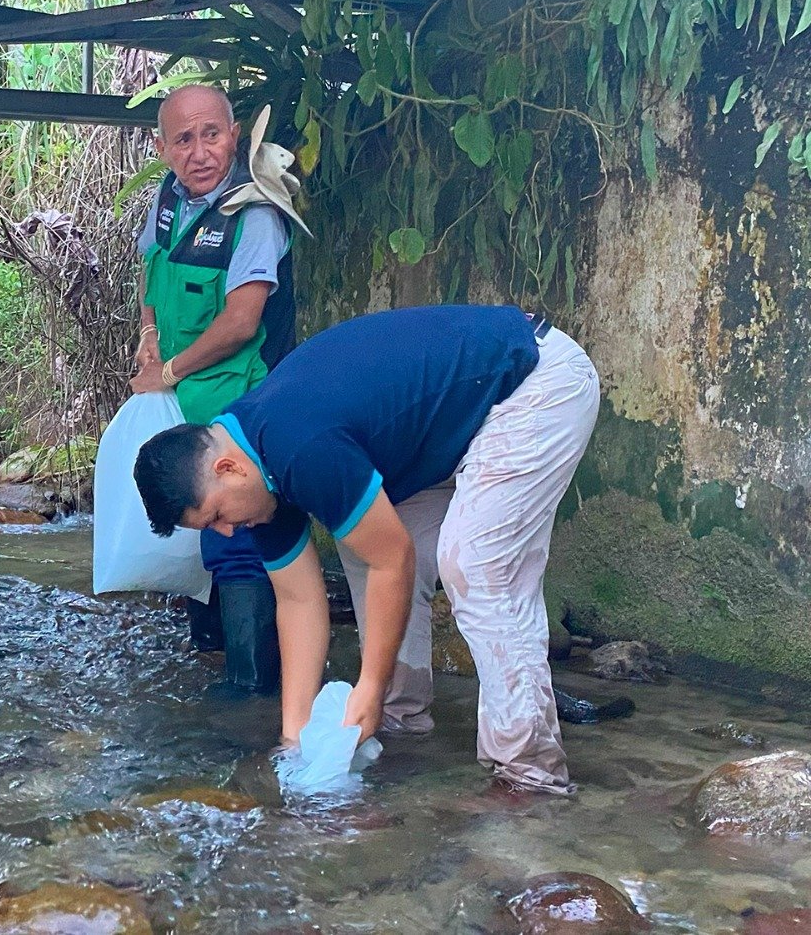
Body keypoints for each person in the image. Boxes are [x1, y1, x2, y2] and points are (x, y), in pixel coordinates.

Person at [133, 305, 600, 794]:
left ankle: (530, 774)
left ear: (228, 469)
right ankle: (397, 724)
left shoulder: (299, 447)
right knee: (361, 549)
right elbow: (297, 601)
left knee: (475, 563)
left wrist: (368, 685)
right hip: (458, 425)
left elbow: (393, 557)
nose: (226, 533)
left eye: (216, 518)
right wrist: (294, 742)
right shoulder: (255, 478)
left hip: (536, 381)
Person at [130, 85, 306, 693]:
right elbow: (153, 272)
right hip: (187, 403)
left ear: (234, 136)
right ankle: (213, 648)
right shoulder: (165, 202)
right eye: (183, 139)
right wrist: (149, 334)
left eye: (212, 134)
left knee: (239, 532)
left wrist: (169, 371)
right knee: (205, 527)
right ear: (162, 149)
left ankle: (250, 684)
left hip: (247, 399)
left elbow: (240, 323)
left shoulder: (254, 215)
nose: (200, 152)